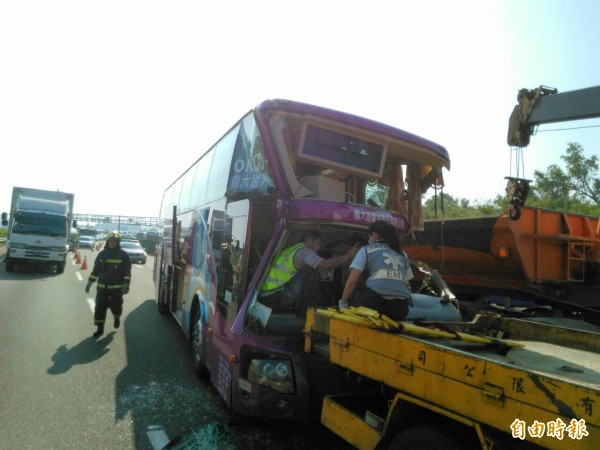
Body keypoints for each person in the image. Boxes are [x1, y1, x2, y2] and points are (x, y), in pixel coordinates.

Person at [260, 230, 359, 315]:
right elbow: (325, 265)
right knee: (311, 270)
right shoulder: (303, 251)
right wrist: (348, 256)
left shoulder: (291, 250)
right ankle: (305, 314)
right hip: (279, 295)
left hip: (267, 296)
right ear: (308, 241)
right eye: (318, 243)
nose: (319, 248)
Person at [339, 220, 413, 321]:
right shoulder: (402, 254)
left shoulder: (366, 250)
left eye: (369, 236)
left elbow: (352, 281)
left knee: (358, 298)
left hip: (374, 304)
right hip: (400, 308)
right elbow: (407, 284)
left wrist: (343, 304)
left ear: (373, 235)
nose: (369, 239)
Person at [85, 231, 132, 338]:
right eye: (110, 241)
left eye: (115, 241)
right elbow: (96, 270)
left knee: (116, 306)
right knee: (99, 308)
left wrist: (126, 283)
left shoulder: (123, 255)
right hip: (102, 287)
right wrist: (90, 282)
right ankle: (100, 328)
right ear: (107, 242)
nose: (112, 243)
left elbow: (127, 272)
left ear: (118, 242)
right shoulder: (102, 254)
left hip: (116, 288)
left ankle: (116, 317)